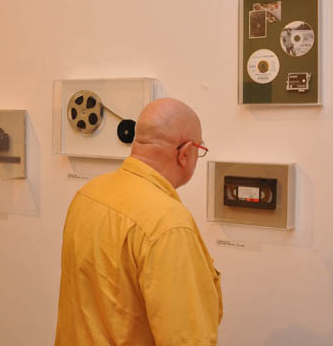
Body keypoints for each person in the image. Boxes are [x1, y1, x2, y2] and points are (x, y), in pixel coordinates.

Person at [55, 98, 223, 345]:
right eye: (199, 149)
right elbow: (185, 338)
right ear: (185, 153)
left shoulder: (88, 194)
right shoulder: (169, 224)